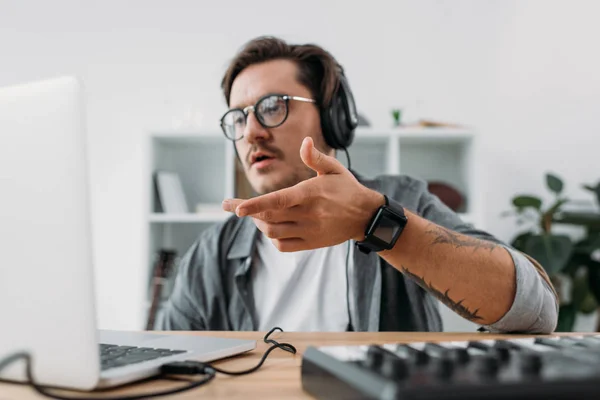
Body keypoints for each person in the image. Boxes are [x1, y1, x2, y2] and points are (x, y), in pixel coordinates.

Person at [158, 36, 558, 333]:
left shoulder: (403, 199)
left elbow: (536, 310)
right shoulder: (213, 251)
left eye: (272, 106)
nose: (252, 132)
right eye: (239, 118)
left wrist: (374, 222)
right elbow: (167, 358)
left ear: (333, 118)